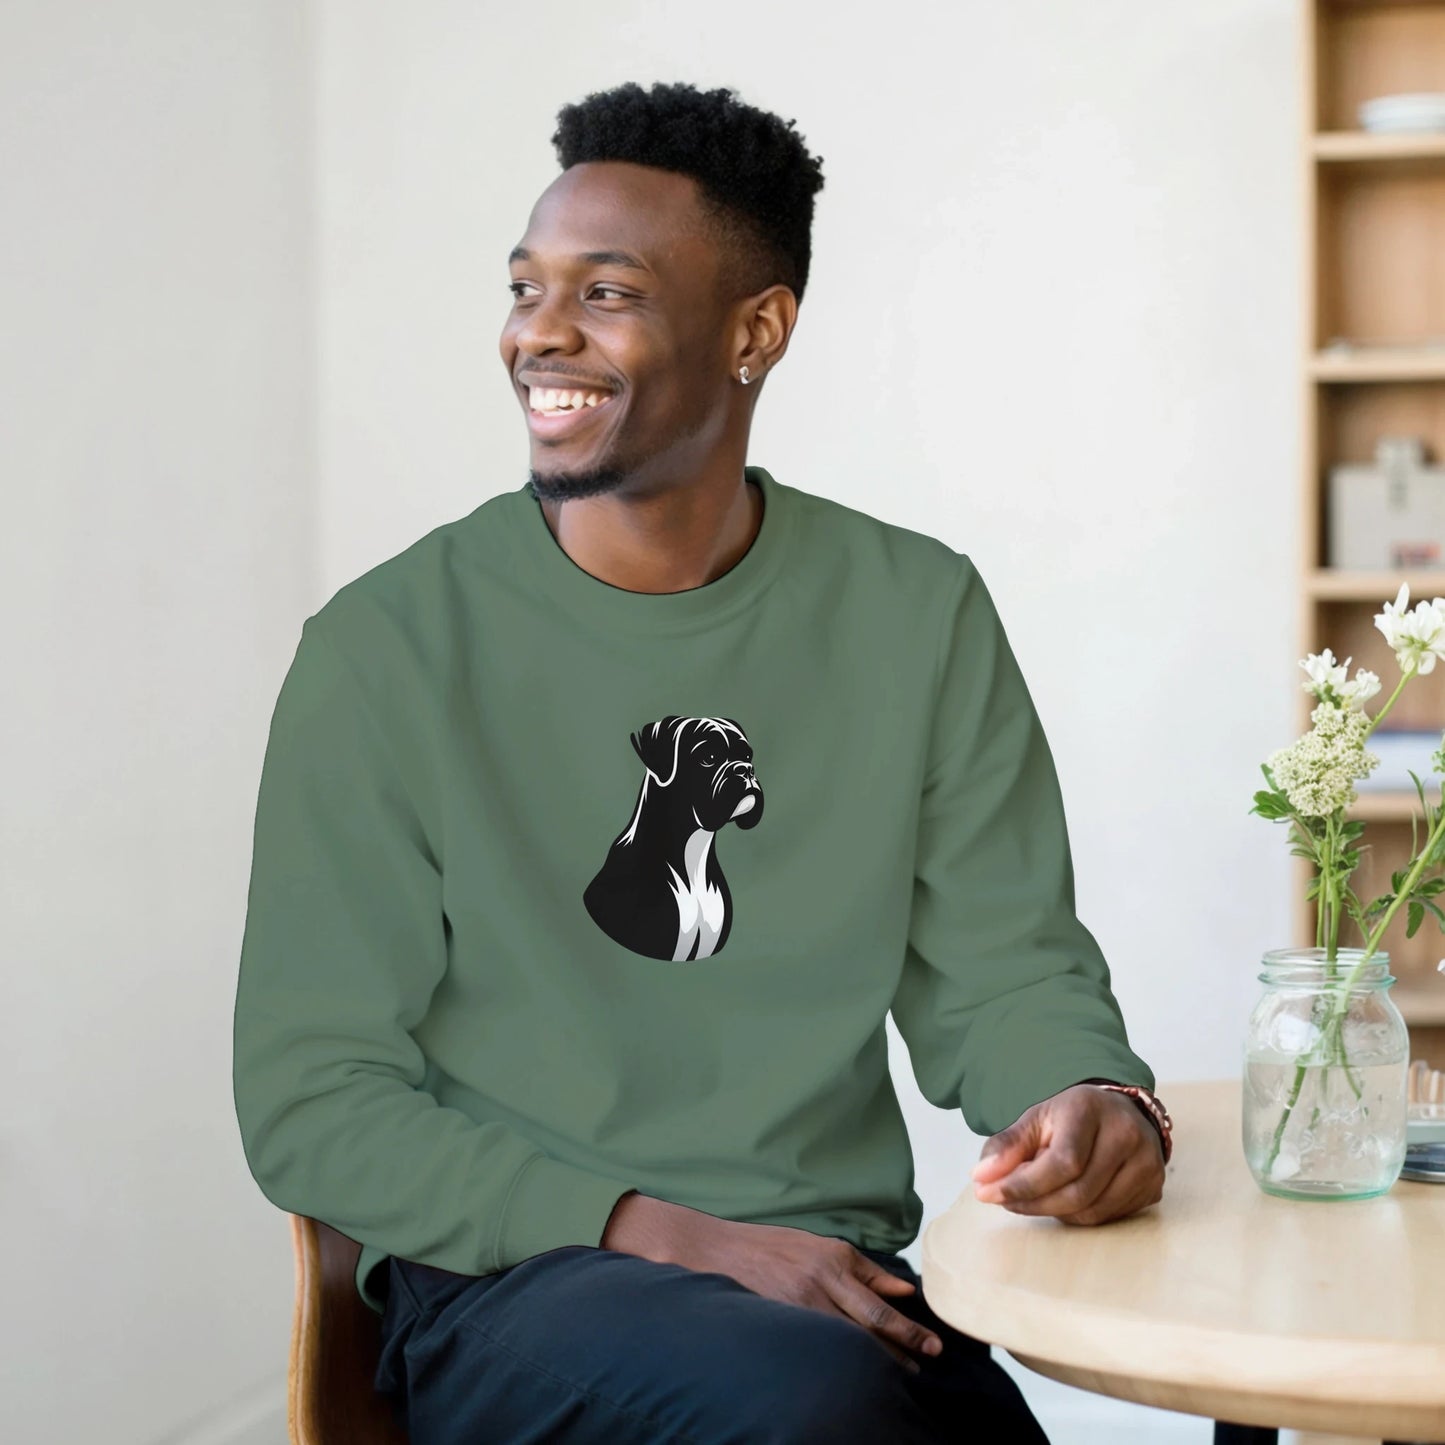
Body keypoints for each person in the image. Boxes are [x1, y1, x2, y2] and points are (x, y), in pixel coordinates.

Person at [232, 79, 1169, 1445]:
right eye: (525, 285)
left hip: (831, 1284)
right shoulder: (385, 650)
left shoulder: (914, 613)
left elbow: (1004, 966)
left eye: (603, 292)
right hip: (515, 1284)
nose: (538, 332)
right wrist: (665, 1234)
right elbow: (311, 1100)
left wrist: (1086, 1094)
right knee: (816, 1412)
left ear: (755, 330)